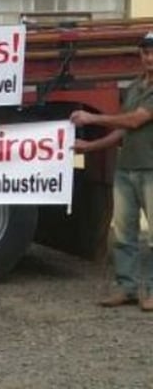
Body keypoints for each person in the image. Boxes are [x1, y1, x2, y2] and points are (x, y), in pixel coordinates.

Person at [71, 31, 153, 311]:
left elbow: (134, 120)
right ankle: (127, 287)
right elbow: (122, 130)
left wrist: (92, 117)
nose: (150, 58)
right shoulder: (134, 88)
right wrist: (92, 146)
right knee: (123, 232)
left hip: (151, 170)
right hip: (127, 167)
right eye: (145, 52)